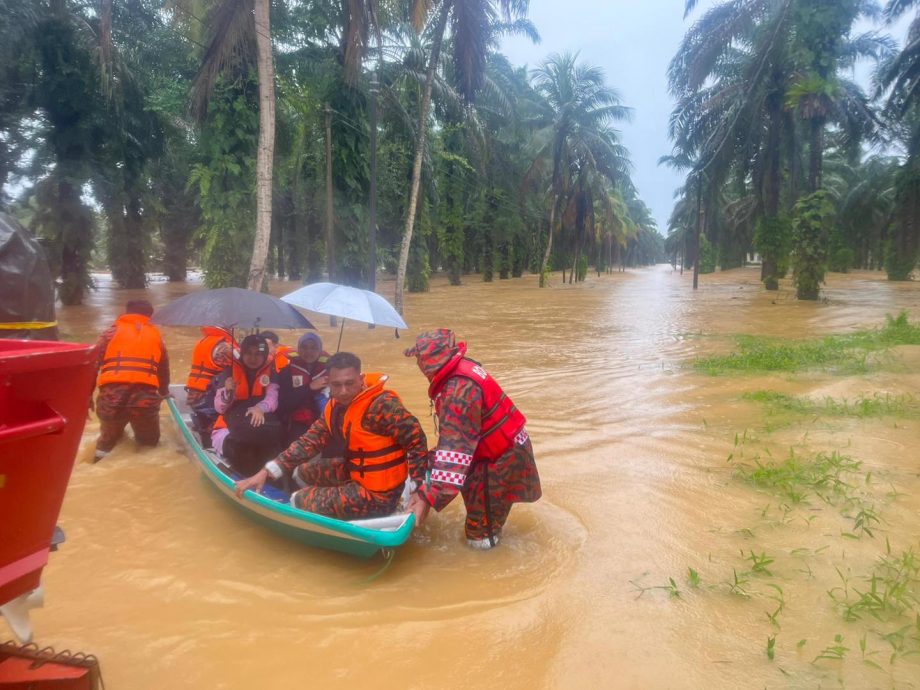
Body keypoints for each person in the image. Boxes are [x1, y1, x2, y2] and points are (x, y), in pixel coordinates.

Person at [234, 352, 428, 520]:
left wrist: (419, 489)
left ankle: (336, 511)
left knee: (298, 499)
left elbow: (416, 440)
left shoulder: (382, 405)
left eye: (349, 383)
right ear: (328, 383)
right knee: (301, 472)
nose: (343, 391)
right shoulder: (334, 407)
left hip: (382, 495)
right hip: (356, 474)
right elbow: (308, 443)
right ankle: (334, 507)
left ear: (361, 379)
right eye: (336, 385)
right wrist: (265, 472)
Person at [405, 329, 541, 549]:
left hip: (499, 461)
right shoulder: (461, 369)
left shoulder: (459, 390)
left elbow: (456, 453)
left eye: (420, 360)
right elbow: (457, 440)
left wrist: (426, 498)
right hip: (494, 450)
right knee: (482, 519)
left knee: (480, 538)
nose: (419, 365)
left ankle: (491, 569)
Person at [92, 299, 170, 462]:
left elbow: (92, 366)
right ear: (150, 316)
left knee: (106, 443)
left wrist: (87, 396)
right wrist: (164, 392)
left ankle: (97, 461)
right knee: (149, 445)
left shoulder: (109, 333)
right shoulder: (157, 337)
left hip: (111, 399)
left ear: (126, 313)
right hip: (144, 401)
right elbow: (163, 369)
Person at [211, 334, 283, 476]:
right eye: (249, 353)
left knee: (273, 440)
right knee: (239, 445)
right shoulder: (229, 372)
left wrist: (259, 408)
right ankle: (244, 471)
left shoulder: (271, 372)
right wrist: (228, 391)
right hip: (228, 425)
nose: (253, 358)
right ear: (242, 353)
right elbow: (219, 408)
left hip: (260, 423)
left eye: (258, 354)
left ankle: (268, 476)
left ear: (264, 355)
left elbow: (272, 399)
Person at [276, 332, 329, 445]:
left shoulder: (329, 371)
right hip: (295, 422)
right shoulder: (286, 372)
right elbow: (283, 405)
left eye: (314, 348)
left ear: (320, 351)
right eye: (304, 347)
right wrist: (310, 387)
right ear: (298, 350)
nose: (309, 351)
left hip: (322, 421)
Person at [185, 326, 236, 408]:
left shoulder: (203, 341)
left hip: (193, 395)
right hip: (209, 396)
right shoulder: (224, 347)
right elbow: (238, 366)